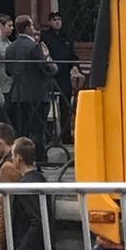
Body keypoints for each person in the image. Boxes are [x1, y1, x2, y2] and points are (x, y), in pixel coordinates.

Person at [9, 17, 55, 153]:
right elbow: (45, 68)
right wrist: (51, 63)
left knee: (21, 131)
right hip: (36, 94)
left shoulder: (11, 47)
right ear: (28, 28)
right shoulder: (34, 46)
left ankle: (20, 159)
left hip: (17, 94)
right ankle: (38, 160)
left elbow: (8, 70)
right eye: (32, 27)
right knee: (37, 130)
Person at [41, 15, 80, 150]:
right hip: (50, 74)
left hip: (64, 75)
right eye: (55, 20)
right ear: (50, 22)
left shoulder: (66, 37)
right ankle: (47, 134)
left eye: (59, 20)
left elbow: (72, 55)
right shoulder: (45, 37)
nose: (58, 22)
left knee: (65, 104)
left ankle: (65, 134)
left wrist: (75, 66)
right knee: (47, 105)